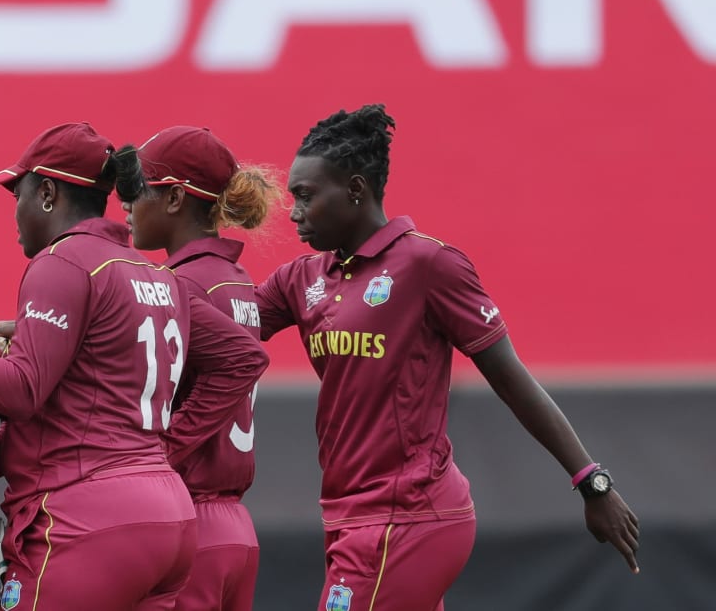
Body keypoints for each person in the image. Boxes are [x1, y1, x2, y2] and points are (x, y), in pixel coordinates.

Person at [0, 123, 268, 610]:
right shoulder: (152, 272)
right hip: (169, 515)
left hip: (85, 517)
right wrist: (162, 449)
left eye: (17, 194)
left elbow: (21, 390)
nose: (16, 213)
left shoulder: (61, 261)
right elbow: (243, 357)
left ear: (47, 192)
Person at [255, 105, 642, 611]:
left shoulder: (427, 264)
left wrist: (590, 481)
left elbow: (510, 378)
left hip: (411, 517)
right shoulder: (301, 279)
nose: (294, 211)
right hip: (349, 516)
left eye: (305, 196)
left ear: (354, 189)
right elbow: (216, 330)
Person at [124, 126, 278, 611]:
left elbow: (241, 363)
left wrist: (164, 451)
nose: (125, 204)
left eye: (136, 190)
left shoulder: (177, 286)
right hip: (235, 529)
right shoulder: (234, 279)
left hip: (186, 521)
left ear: (174, 199)